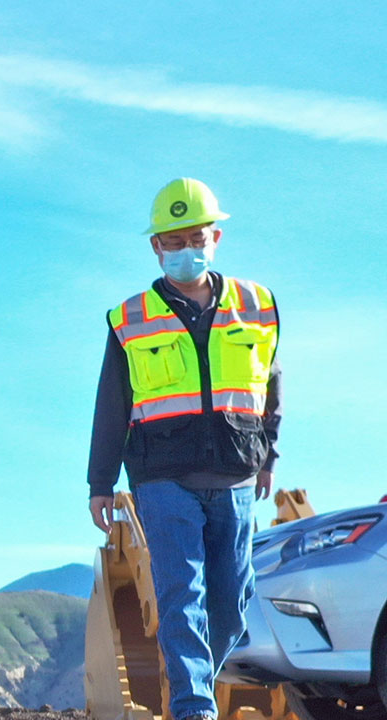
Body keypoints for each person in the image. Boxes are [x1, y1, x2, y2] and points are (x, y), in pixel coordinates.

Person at [86, 178, 280, 720]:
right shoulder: (129, 318)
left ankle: (189, 688)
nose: (184, 249)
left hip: (237, 474)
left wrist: (270, 455)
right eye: (172, 241)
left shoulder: (257, 306)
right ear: (156, 247)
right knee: (181, 595)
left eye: (194, 237)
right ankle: (195, 708)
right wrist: (100, 483)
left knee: (231, 606)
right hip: (160, 475)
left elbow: (270, 386)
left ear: (214, 237)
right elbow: (112, 404)